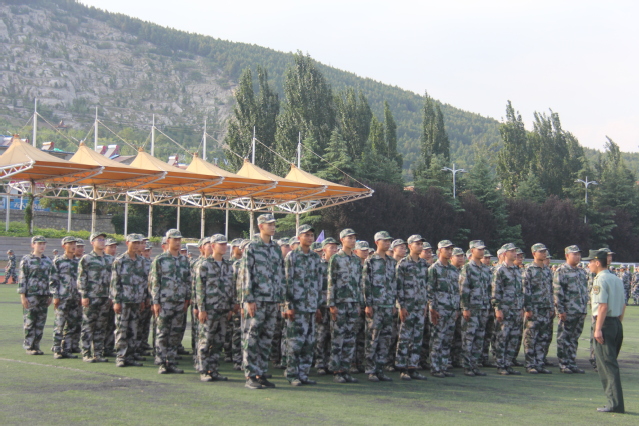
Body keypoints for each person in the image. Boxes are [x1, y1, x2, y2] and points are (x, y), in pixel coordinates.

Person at [239, 214, 284, 390]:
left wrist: (279, 298)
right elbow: (245, 274)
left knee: (267, 338)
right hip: (256, 300)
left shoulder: (276, 248)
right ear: (260, 226)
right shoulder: (252, 247)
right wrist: (248, 299)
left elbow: (280, 274)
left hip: (272, 300)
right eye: (269, 224)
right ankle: (250, 375)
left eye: (274, 224)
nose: (273, 227)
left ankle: (261, 373)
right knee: (251, 337)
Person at [585, 250, 625, 414]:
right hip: (615, 322)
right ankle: (615, 402)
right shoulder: (616, 278)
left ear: (597, 262)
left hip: (605, 323)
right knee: (610, 363)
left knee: (607, 366)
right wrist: (617, 322)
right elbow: (623, 305)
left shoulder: (600, 280)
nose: (588, 265)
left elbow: (602, 306)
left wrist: (598, 329)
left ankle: (615, 404)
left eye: (590, 262)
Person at [284, 224, 323, 386]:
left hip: (311, 307)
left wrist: (318, 306)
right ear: (299, 237)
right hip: (297, 307)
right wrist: (288, 305)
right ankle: (292, 374)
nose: (309, 238)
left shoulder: (315, 258)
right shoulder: (292, 256)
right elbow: (287, 282)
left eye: (311, 235)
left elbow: (318, 282)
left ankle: (304, 374)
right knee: (295, 343)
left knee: (309, 343)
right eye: (306, 235)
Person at [149, 229, 192, 374]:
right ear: (168, 241)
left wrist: (187, 299)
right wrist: (155, 302)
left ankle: (171, 361)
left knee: (175, 334)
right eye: (175, 240)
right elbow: (155, 282)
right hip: (164, 302)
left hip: (179, 302)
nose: (178, 242)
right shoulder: (160, 260)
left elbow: (188, 281)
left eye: (179, 239)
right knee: (162, 333)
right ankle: (162, 362)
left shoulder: (184, 260)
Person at [195, 234, 235, 382]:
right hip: (210, 309)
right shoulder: (204, 265)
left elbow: (231, 287)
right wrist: (201, 309)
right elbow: (200, 288)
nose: (224, 247)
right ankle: (204, 370)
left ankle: (214, 369)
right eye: (221, 244)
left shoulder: (228, 265)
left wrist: (231, 307)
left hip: (223, 308)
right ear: (213, 246)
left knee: (219, 341)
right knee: (206, 340)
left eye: (225, 244)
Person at [327, 228, 363, 384]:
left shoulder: (356, 260)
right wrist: (331, 304)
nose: (352, 240)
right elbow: (331, 282)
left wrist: (360, 303)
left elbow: (359, 283)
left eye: (354, 238)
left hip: (353, 303)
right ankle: (336, 370)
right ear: (342, 240)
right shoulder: (336, 258)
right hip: (340, 303)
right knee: (338, 338)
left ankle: (346, 370)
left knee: (350, 338)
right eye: (349, 238)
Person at [362, 231, 397, 382]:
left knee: (386, 338)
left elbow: (394, 283)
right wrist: (368, 304)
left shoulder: (392, 261)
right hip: (375, 305)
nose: (388, 243)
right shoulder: (370, 261)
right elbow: (366, 283)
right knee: (373, 338)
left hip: (388, 305)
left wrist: (394, 303)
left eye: (389, 241)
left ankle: (380, 369)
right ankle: (371, 370)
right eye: (385, 241)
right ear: (377, 242)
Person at [110, 234, 147, 367]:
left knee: (133, 329)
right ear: (127, 243)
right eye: (134, 243)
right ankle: (121, 356)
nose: (136, 245)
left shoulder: (141, 261)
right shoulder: (120, 261)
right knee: (121, 329)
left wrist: (143, 299)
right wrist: (116, 301)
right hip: (123, 300)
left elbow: (144, 281)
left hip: (136, 300)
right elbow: (115, 282)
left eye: (138, 243)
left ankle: (130, 356)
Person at [395, 235, 429, 381]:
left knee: (417, 338)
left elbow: (426, 285)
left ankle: (413, 367)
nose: (420, 246)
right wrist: (401, 306)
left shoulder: (424, 264)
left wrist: (425, 304)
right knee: (404, 338)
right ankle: (402, 368)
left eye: (421, 244)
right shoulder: (403, 264)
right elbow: (398, 287)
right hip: (407, 307)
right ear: (410, 246)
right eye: (417, 244)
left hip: (420, 306)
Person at [553, 245, 588, 374]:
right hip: (568, 311)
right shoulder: (561, 271)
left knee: (574, 338)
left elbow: (584, 291)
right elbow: (558, 292)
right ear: (567, 255)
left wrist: (584, 308)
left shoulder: (581, 272)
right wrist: (560, 310)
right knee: (564, 338)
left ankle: (571, 362)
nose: (578, 257)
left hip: (580, 310)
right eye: (575, 254)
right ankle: (563, 363)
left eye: (579, 254)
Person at [459, 240, 491, 377]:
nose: (482, 252)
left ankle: (475, 365)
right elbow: (463, 289)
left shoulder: (485, 269)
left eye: (483, 249)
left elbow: (488, 289)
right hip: (471, 308)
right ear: (472, 251)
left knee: (479, 338)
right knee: (469, 337)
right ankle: (467, 366)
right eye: (479, 249)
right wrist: (465, 307)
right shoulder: (467, 268)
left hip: (483, 308)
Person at [78, 232, 112, 363]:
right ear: (92, 242)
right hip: (91, 297)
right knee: (88, 325)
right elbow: (82, 278)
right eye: (99, 240)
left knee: (101, 326)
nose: (102, 242)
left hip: (105, 297)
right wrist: (84, 295)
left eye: (103, 239)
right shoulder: (86, 259)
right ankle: (86, 353)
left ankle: (98, 353)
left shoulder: (110, 259)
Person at [427, 240, 459, 378]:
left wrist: (456, 308)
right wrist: (432, 308)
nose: (450, 251)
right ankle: (435, 367)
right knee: (437, 339)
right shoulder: (434, 269)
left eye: (451, 249)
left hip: (451, 309)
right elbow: (430, 290)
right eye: (447, 249)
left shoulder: (453, 269)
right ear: (440, 250)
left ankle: (444, 366)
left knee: (447, 339)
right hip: (439, 309)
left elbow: (456, 290)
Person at [491, 243, 524, 375]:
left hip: (516, 309)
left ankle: (508, 364)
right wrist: (497, 308)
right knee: (502, 337)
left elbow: (520, 291)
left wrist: (521, 307)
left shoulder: (517, 270)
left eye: (515, 251)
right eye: (512, 251)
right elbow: (495, 291)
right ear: (505, 254)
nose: (515, 253)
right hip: (505, 309)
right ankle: (501, 365)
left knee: (513, 338)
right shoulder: (500, 270)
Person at [18, 235, 53, 355]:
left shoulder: (48, 260)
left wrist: (51, 295)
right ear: (33, 245)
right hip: (31, 295)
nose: (42, 246)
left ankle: (36, 346)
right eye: (39, 244)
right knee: (30, 321)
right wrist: (23, 296)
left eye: (43, 244)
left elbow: (51, 279)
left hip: (44, 295)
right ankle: (29, 346)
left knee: (40, 322)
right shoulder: (26, 259)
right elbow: (22, 278)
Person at [522, 243, 553, 374]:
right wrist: (528, 308)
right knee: (530, 337)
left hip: (545, 308)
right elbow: (525, 290)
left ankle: (540, 363)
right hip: (534, 309)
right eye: (541, 252)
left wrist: (551, 307)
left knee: (543, 337)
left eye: (545, 251)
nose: (544, 254)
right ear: (534, 253)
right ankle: (530, 364)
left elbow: (550, 290)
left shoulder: (547, 270)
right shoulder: (529, 270)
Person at [49, 236, 80, 359]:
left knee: (72, 325)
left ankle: (67, 349)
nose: (73, 246)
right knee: (59, 324)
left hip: (75, 298)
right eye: (70, 244)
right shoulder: (58, 261)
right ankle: (57, 349)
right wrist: (55, 296)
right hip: (62, 298)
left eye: (74, 244)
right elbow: (53, 280)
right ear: (64, 246)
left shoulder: (78, 262)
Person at [314, 237, 338, 375]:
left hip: (335, 305)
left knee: (333, 336)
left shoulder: (338, 265)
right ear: (324, 250)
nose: (334, 250)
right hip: (322, 305)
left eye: (336, 247)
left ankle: (330, 363)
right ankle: (320, 363)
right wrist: (317, 307)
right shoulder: (319, 266)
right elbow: (315, 287)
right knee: (321, 336)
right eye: (331, 247)